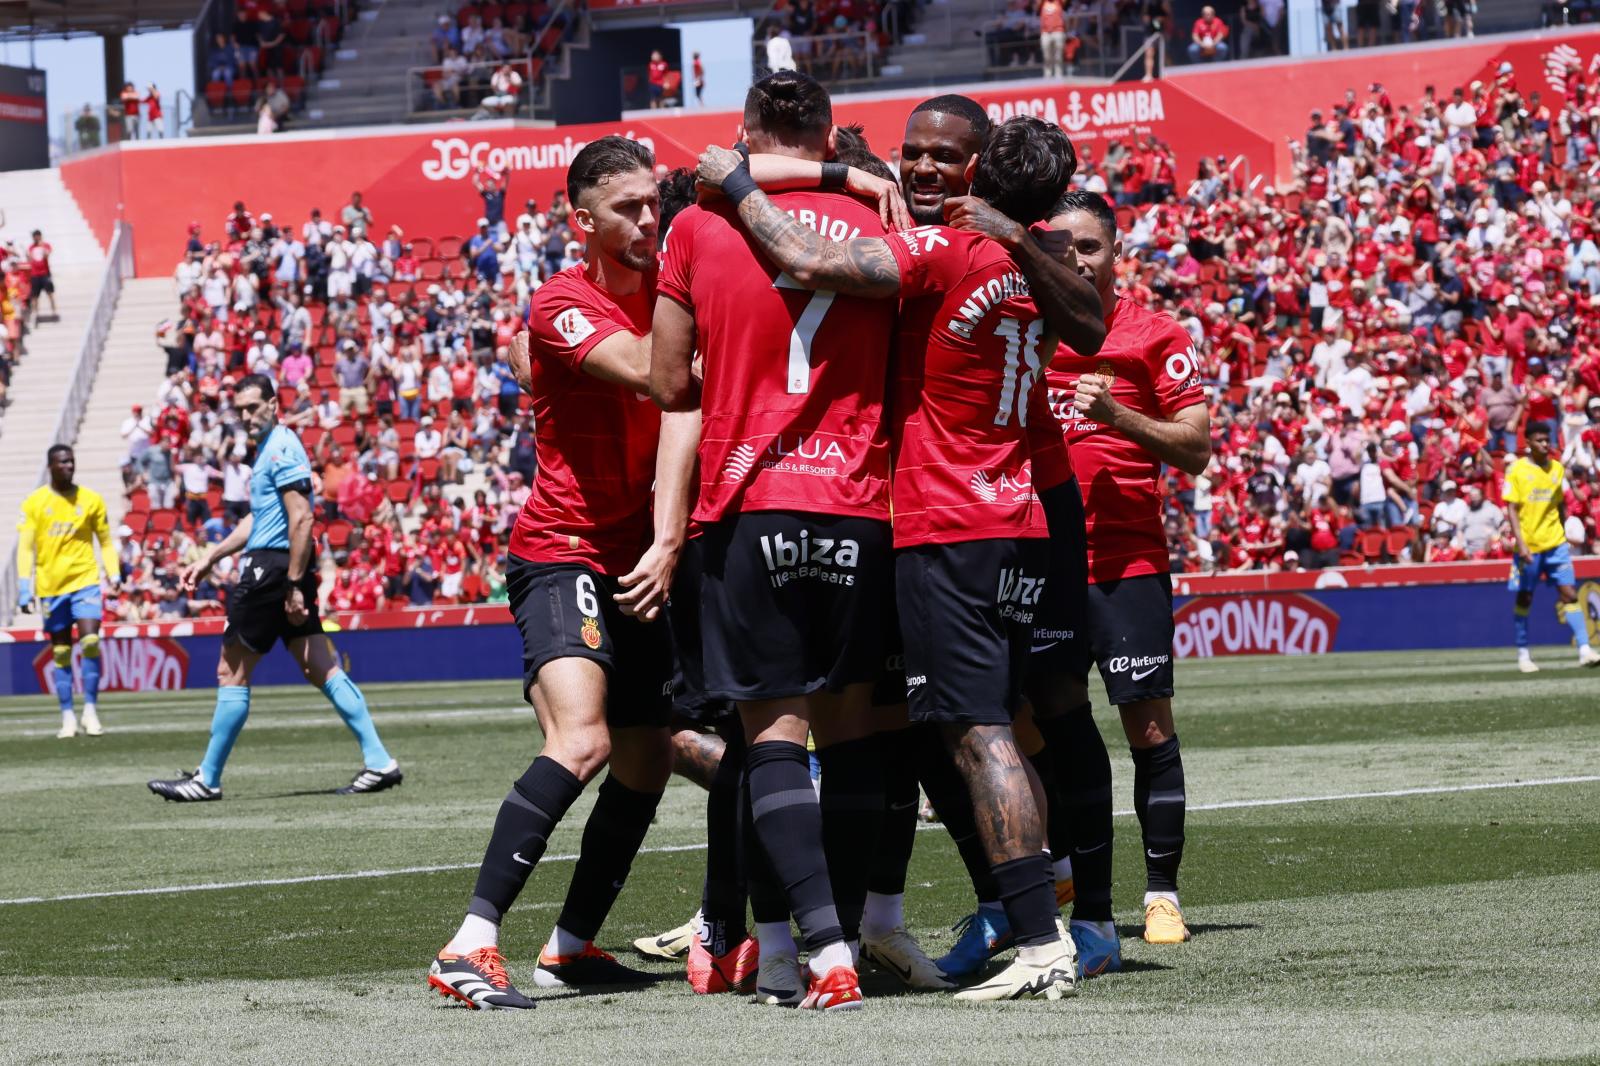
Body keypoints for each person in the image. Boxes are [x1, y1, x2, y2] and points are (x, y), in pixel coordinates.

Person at [687, 86, 1105, 1003]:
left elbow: (802, 253)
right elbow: (1092, 323)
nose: (919, 168)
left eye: (940, 156)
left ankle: (1037, 940)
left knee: (976, 732)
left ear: (980, 171)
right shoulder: (1043, 258)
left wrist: (737, 182)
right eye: (910, 153)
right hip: (1020, 516)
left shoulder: (945, 247)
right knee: (971, 726)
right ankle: (1021, 922)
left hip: (944, 519)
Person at [652, 71, 904, 1012]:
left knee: (773, 737)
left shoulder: (697, 225)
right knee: (850, 732)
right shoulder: (883, 216)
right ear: (832, 138)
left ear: (745, 131)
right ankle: (836, 935)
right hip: (862, 503)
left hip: (749, 502)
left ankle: (820, 953)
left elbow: (671, 380)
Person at [426, 137, 675, 1011]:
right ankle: (470, 941)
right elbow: (654, 373)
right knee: (585, 740)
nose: (647, 219)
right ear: (584, 221)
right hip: (561, 548)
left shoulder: (669, 285)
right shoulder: (560, 304)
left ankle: (569, 947)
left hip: (639, 558)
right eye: (627, 209)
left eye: (653, 202)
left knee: (645, 759)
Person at [1033, 190, 1212, 961]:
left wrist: (1119, 419)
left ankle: (1162, 893)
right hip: (1040, 559)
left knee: (1147, 725)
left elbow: (1196, 447)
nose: (1076, 259)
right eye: (1061, 247)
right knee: (1038, 722)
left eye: (1091, 247)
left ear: (1115, 253)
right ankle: (1069, 871)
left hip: (1126, 561)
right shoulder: (1028, 331)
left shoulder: (1155, 334)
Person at [146, 375, 402, 802]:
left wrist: (294, 584)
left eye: (253, 407)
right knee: (318, 663)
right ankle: (380, 762)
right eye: (240, 410)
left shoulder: (281, 448)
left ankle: (207, 779)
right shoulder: (268, 450)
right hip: (280, 563)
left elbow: (301, 518)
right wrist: (212, 557)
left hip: (272, 568)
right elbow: (258, 518)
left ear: (272, 406)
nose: (246, 416)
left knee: (232, 670)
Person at [16, 446, 120, 739]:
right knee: (61, 651)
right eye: (62, 462)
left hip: (84, 581)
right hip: (51, 587)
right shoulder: (35, 503)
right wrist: (25, 586)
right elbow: (25, 547)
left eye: (71, 461)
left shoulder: (91, 500)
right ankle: (67, 716)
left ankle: (90, 710)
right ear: (50, 465)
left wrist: (113, 572)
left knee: (90, 642)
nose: (68, 466)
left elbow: (106, 541)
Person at [1503, 424, 1598, 673]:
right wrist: (1521, 544)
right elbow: (1512, 509)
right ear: (1528, 443)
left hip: (1556, 544)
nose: (1546, 444)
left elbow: (1559, 506)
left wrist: (1564, 533)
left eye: (1548, 440)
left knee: (1569, 593)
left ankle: (1585, 650)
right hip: (1530, 547)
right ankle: (1523, 654)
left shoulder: (1557, 469)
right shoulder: (1517, 470)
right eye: (1540, 440)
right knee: (1525, 597)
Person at [27, 230, 55, 322]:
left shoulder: (45, 245)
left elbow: (47, 255)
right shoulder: (31, 247)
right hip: (35, 274)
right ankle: (36, 313)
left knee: (50, 293)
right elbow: (30, 259)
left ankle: (53, 311)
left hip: (45, 273)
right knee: (35, 295)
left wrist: (42, 245)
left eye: (37, 236)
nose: (36, 238)